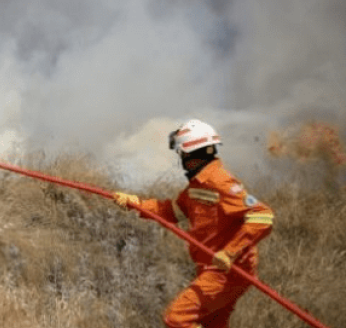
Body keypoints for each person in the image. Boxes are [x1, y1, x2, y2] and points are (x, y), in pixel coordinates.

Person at [113, 119, 274, 328]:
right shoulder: (197, 187)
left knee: (177, 319)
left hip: (228, 272)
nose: (181, 159)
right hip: (212, 269)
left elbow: (263, 216)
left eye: (182, 154)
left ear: (191, 155)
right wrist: (136, 204)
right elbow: (171, 211)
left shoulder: (219, 181)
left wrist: (230, 252)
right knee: (212, 324)